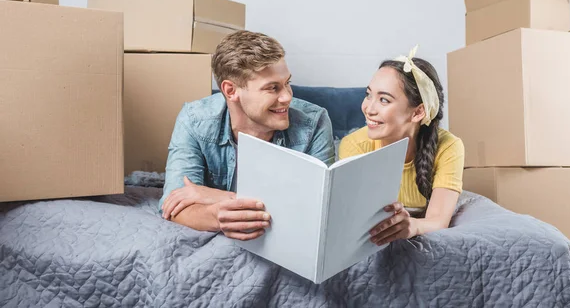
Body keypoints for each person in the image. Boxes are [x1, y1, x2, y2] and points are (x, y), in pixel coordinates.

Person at [159, 30, 335, 240]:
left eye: (287, 83)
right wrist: (216, 217)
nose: (287, 96)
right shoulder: (195, 120)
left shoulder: (314, 122)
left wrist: (216, 197)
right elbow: (173, 205)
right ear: (231, 91)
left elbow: (321, 209)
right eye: (273, 88)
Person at [339, 45, 464, 245]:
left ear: (417, 112)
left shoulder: (449, 147)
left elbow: (438, 220)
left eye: (384, 100)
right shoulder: (354, 145)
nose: (368, 108)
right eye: (368, 94)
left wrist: (412, 226)